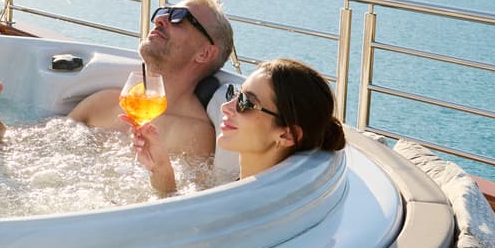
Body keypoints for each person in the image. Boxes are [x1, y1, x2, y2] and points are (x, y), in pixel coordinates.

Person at [0, 0, 233, 162]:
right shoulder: (105, 103)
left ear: (204, 53)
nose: (160, 19)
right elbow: (15, 145)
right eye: (163, 11)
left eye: (178, 18)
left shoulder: (198, 137)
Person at [132, 57, 345, 193]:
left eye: (246, 103)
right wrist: (161, 168)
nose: (226, 107)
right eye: (235, 94)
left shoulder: (253, 204)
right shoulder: (250, 190)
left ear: (287, 135)